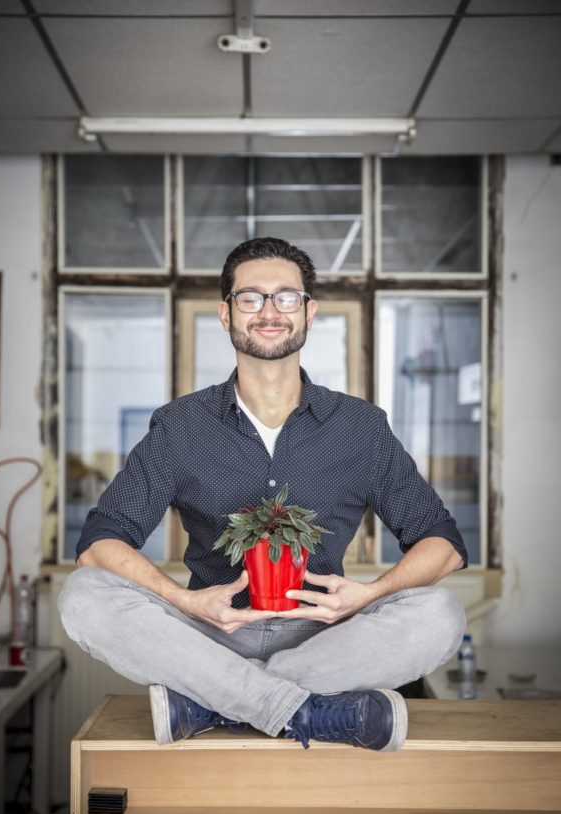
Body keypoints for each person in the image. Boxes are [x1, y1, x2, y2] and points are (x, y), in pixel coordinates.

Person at [59, 236, 467, 753]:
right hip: (211, 634)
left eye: (286, 297)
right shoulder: (181, 426)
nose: (269, 311)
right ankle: (297, 708)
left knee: (440, 614)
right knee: (83, 595)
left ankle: (215, 702)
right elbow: (99, 543)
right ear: (226, 315)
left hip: (324, 635)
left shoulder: (360, 427)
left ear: (309, 311)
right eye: (251, 298)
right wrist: (186, 601)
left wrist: (367, 596)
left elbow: (443, 543)